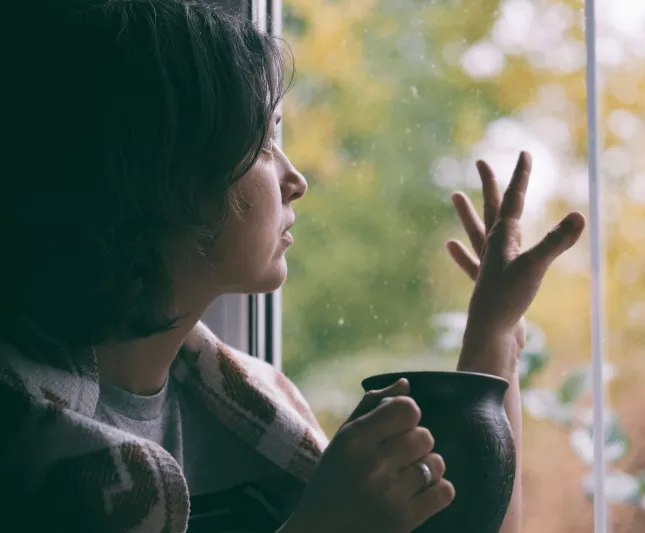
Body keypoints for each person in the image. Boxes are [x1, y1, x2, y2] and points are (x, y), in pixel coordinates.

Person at [0, 1, 585, 531]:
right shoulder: (23, 454)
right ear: (163, 175)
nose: (295, 181)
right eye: (262, 140)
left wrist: (495, 333)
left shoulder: (261, 409)